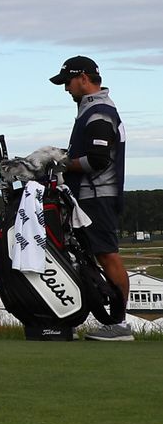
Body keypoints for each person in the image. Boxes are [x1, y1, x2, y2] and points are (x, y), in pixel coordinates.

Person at [50, 56, 131, 341]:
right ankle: (114, 322)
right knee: (100, 254)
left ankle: (119, 324)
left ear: (84, 78)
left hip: (98, 195)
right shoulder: (91, 109)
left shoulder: (99, 111)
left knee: (107, 254)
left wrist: (58, 162)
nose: (66, 89)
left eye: (68, 82)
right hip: (90, 195)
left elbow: (98, 159)